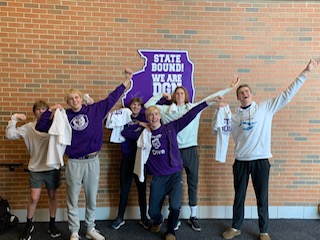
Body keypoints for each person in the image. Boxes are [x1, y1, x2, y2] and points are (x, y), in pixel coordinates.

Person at [221, 58, 320, 240]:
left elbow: (287, 95)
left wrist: (306, 72)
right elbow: (224, 130)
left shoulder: (265, 108)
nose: (244, 94)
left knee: (262, 197)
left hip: (261, 160)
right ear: (238, 97)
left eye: (246, 91)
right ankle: (236, 227)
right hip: (241, 161)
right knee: (239, 197)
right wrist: (221, 108)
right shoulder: (234, 116)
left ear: (251, 94)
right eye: (241, 92)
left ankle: (263, 230)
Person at [35, 68, 134, 240]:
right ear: (67, 101)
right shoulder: (63, 115)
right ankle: (74, 231)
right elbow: (41, 126)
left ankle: (90, 228)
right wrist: (51, 111)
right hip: (74, 162)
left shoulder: (95, 110)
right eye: (71, 99)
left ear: (81, 98)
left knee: (91, 198)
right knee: (72, 198)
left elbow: (113, 97)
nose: (74, 101)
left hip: (92, 160)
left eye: (77, 97)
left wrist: (127, 80)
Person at [144, 79, 240, 231]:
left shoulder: (193, 107)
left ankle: (193, 215)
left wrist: (228, 88)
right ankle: (173, 218)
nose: (180, 95)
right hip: (173, 151)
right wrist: (161, 94)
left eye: (182, 93)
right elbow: (148, 107)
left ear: (186, 95)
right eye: (177, 93)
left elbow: (209, 99)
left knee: (192, 182)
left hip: (190, 149)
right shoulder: (165, 111)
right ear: (174, 96)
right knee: (173, 185)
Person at [144, 95, 223, 240]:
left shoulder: (171, 127)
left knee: (175, 206)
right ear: (147, 118)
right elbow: (126, 130)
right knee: (153, 211)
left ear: (160, 116)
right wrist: (139, 125)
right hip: (158, 177)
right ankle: (158, 220)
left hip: (174, 174)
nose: (154, 117)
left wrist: (208, 102)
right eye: (150, 115)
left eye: (156, 114)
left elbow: (191, 114)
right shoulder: (144, 134)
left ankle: (170, 232)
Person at [5, 100, 61, 240]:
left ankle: (52, 225)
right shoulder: (29, 127)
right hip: (36, 168)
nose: (41, 112)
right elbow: (10, 135)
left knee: (53, 196)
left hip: (52, 167)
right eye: (38, 109)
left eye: (44, 109)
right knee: (34, 197)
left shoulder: (55, 126)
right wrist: (14, 118)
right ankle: (29, 225)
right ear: (34, 112)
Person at [110, 97, 151, 230]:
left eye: (139, 105)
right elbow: (125, 132)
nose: (136, 107)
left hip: (140, 160)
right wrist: (138, 126)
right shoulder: (124, 118)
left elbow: (147, 134)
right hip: (127, 159)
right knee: (124, 190)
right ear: (130, 106)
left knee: (142, 190)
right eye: (134, 104)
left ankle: (144, 218)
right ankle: (120, 217)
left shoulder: (146, 119)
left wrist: (138, 127)